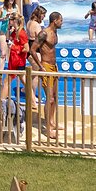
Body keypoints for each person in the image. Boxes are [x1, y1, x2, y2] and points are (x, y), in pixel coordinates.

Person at [29, 11, 63, 141]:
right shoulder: (44, 33)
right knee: (49, 98)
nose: (62, 23)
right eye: (60, 20)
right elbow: (32, 50)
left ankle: (52, 122)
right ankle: (48, 129)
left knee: (55, 97)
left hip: (54, 67)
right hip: (46, 66)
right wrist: (40, 66)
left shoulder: (55, 32)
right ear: (55, 21)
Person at [1, 11, 29, 104]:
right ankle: (32, 100)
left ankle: (1, 102)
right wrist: (8, 31)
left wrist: (14, 47)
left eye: (10, 20)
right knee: (23, 80)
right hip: (13, 60)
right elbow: (8, 40)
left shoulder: (21, 33)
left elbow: (26, 48)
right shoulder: (14, 32)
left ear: (14, 21)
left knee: (6, 81)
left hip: (18, 61)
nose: (8, 21)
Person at [0, 0, 16, 70]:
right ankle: (1, 73)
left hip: (12, 33)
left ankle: (12, 72)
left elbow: (19, 18)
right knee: (3, 54)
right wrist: (4, 18)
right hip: (3, 32)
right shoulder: (2, 8)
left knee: (12, 54)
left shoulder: (16, 7)